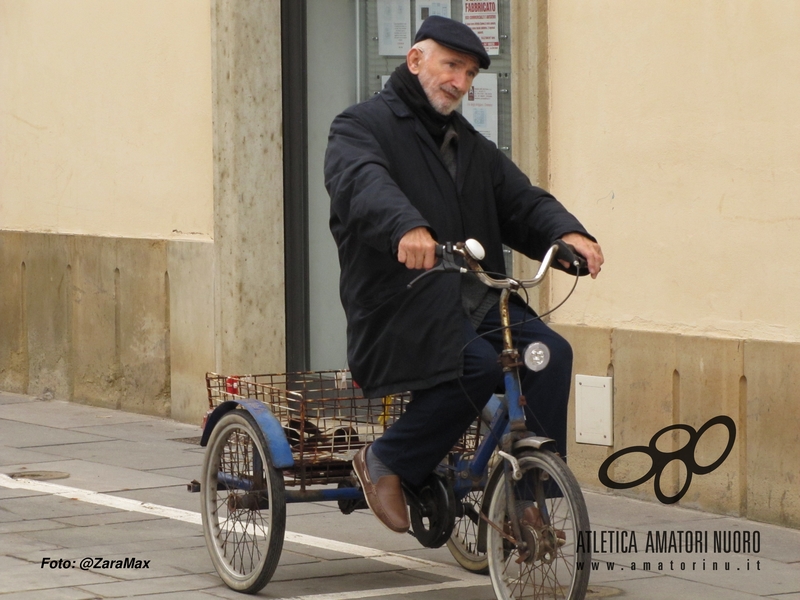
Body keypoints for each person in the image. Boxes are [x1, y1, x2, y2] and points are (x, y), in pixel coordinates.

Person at [324, 16, 604, 533]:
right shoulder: (360, 127)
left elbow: (520, 201)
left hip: (472, 298)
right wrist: (405, 226)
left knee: (549, 355)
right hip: (401, 303)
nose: (461, 82)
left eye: (471, 73)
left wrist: (567, 236)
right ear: (415, 61)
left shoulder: (468, 144)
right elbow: (363, 184)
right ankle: (385, 458)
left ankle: (526, 501)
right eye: (452, 65)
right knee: (476, 366)